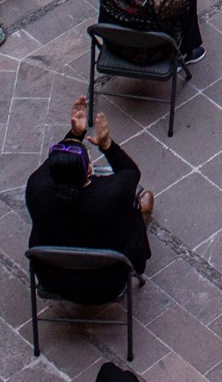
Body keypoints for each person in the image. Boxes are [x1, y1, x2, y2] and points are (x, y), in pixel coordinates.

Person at [27, 96, 153, 299]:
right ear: (88, 170)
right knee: (131, 212)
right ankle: (142, 215)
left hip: (53, 279)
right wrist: (107, 145)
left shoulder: (36, 188)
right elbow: (130, 171)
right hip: (107, 283)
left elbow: (54, 163)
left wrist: (75, 135)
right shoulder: (112, 193)